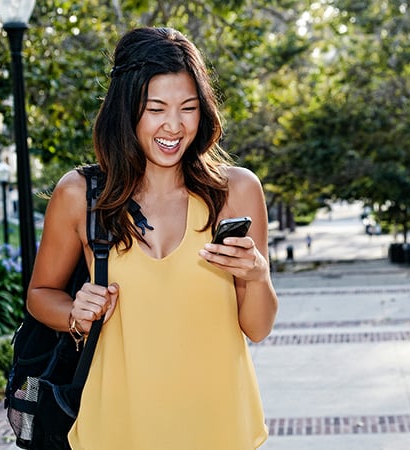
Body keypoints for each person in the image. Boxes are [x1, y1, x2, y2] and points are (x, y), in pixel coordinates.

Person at [26, 27, 278, 449]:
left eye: (189, 108)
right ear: (127, 110)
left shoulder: (236, 192)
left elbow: (258, 327)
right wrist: (75, 313)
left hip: (219, 429)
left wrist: (256, 274)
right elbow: (40, 293)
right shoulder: (80, 195)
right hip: (114, 429)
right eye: (155, 108)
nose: (174, 125)